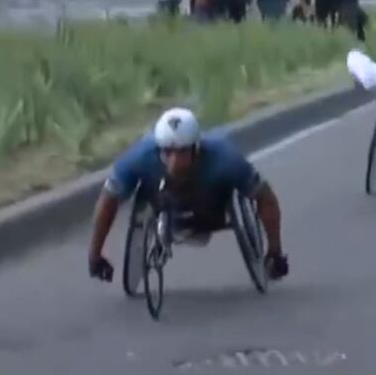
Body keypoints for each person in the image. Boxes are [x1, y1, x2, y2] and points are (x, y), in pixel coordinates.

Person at [88, 107, 289, 283]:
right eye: (168, 152)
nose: (174, 162)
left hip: (210, 207)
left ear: (196, 149)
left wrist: (275, 251)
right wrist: (95, 254)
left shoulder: (225, 159)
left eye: (182, 152)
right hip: (162, 201)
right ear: (158, 149)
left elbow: (265, 198)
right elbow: (108, 201)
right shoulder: (138, 158)